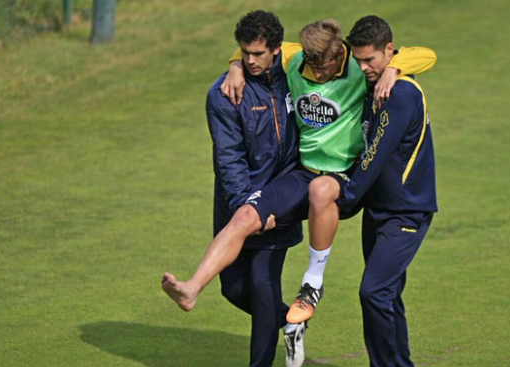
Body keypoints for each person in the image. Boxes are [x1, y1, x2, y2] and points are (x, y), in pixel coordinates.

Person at [162, 19, 434, 329]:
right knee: (244, 215)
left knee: (320, 189)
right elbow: (257, 50)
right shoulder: (295, 57)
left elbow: (427, 55)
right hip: (302, 172)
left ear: (340, 56)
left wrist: (393, 69)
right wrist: (235, 64)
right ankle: (192, 288)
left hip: (344, 174)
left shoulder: (360, 68)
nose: (317, 74)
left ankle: (312, 283)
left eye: (325, 68)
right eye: (311, 66)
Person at [162, 10, 306, 367]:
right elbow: (229, 160)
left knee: (262, 283)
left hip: (284, 196)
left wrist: (269, 210)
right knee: (233, 288)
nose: (251, 60)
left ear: (277, 50)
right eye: (244, 53)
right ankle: (289, 320)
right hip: (238, 203)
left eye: (259, 53)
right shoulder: (224, 93)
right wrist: (249, 211)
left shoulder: (296, 73)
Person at [311, 15, 438, 367]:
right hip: (380, 210)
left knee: (373, 291)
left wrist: (345, 200)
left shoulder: (399, 94)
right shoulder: (375, 80)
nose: (364, 68)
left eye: (372, 61)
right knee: (389, 294)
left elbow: (376, 154)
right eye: (359, 61)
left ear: (389, 50)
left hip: (406, 212)